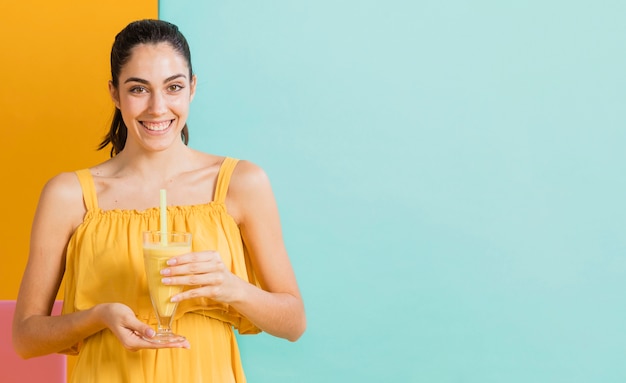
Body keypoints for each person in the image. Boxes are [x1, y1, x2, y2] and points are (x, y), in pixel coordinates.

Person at [13, 19, 306, 382]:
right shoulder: (69, 195)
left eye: (173, 87)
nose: (157, 107)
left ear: (192, 88)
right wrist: (97, 316)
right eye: (139, 89)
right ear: (114, 93)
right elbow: (25, 338)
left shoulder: (240, 183)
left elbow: (293, 322)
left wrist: (233, 288)